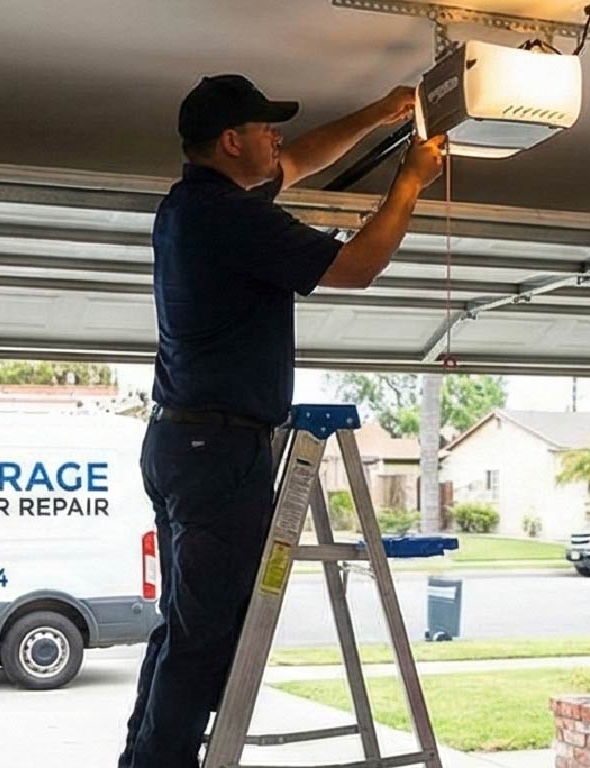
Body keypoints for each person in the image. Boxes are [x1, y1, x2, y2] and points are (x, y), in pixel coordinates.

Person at [116, 74, 446, 768]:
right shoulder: (231, 220)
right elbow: (358, 266)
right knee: (205, 640)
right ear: (231, 141)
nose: (279, 139)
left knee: (186, 628)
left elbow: (300, 160)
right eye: (266, 129)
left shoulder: (191, 206)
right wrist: (410, 181)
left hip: (182, 440)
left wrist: (380, 111)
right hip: (217, 448)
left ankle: (142, 758)